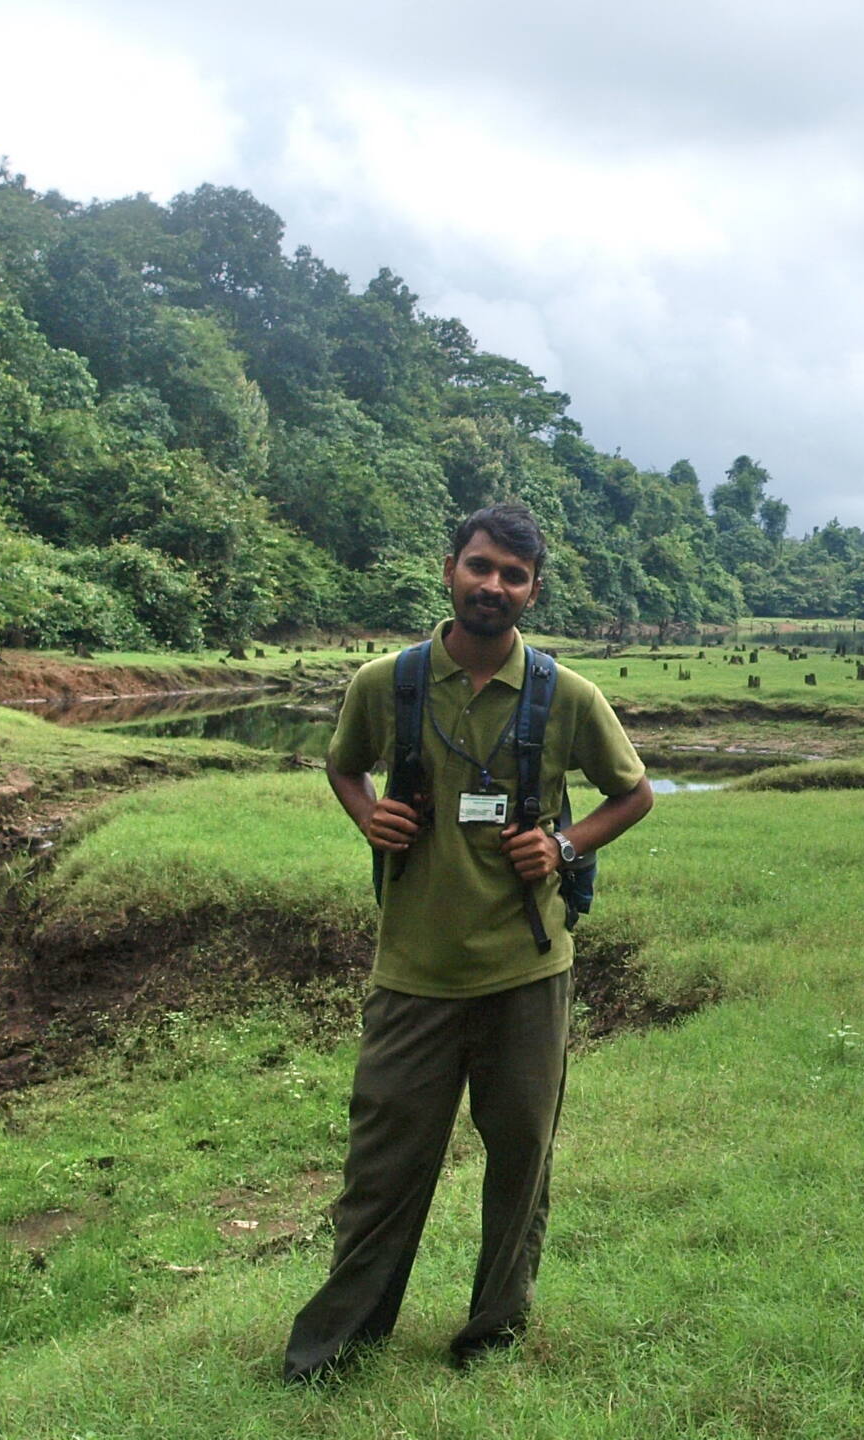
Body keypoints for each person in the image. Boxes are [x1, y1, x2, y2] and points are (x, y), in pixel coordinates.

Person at [283, 502, 653, 1382]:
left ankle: (493, 1333)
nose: (494, 586)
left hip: (527, 974)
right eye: (480, 567)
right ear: (450, 569)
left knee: (520, 1157)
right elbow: (343, 762)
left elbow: (632, 794)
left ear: (532, 590)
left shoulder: (566, 696)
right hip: (412, 975)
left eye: (513, 575)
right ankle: (335, 1351)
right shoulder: (388, 684)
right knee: (382, 1168)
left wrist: (564, 845)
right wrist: (369, 813)